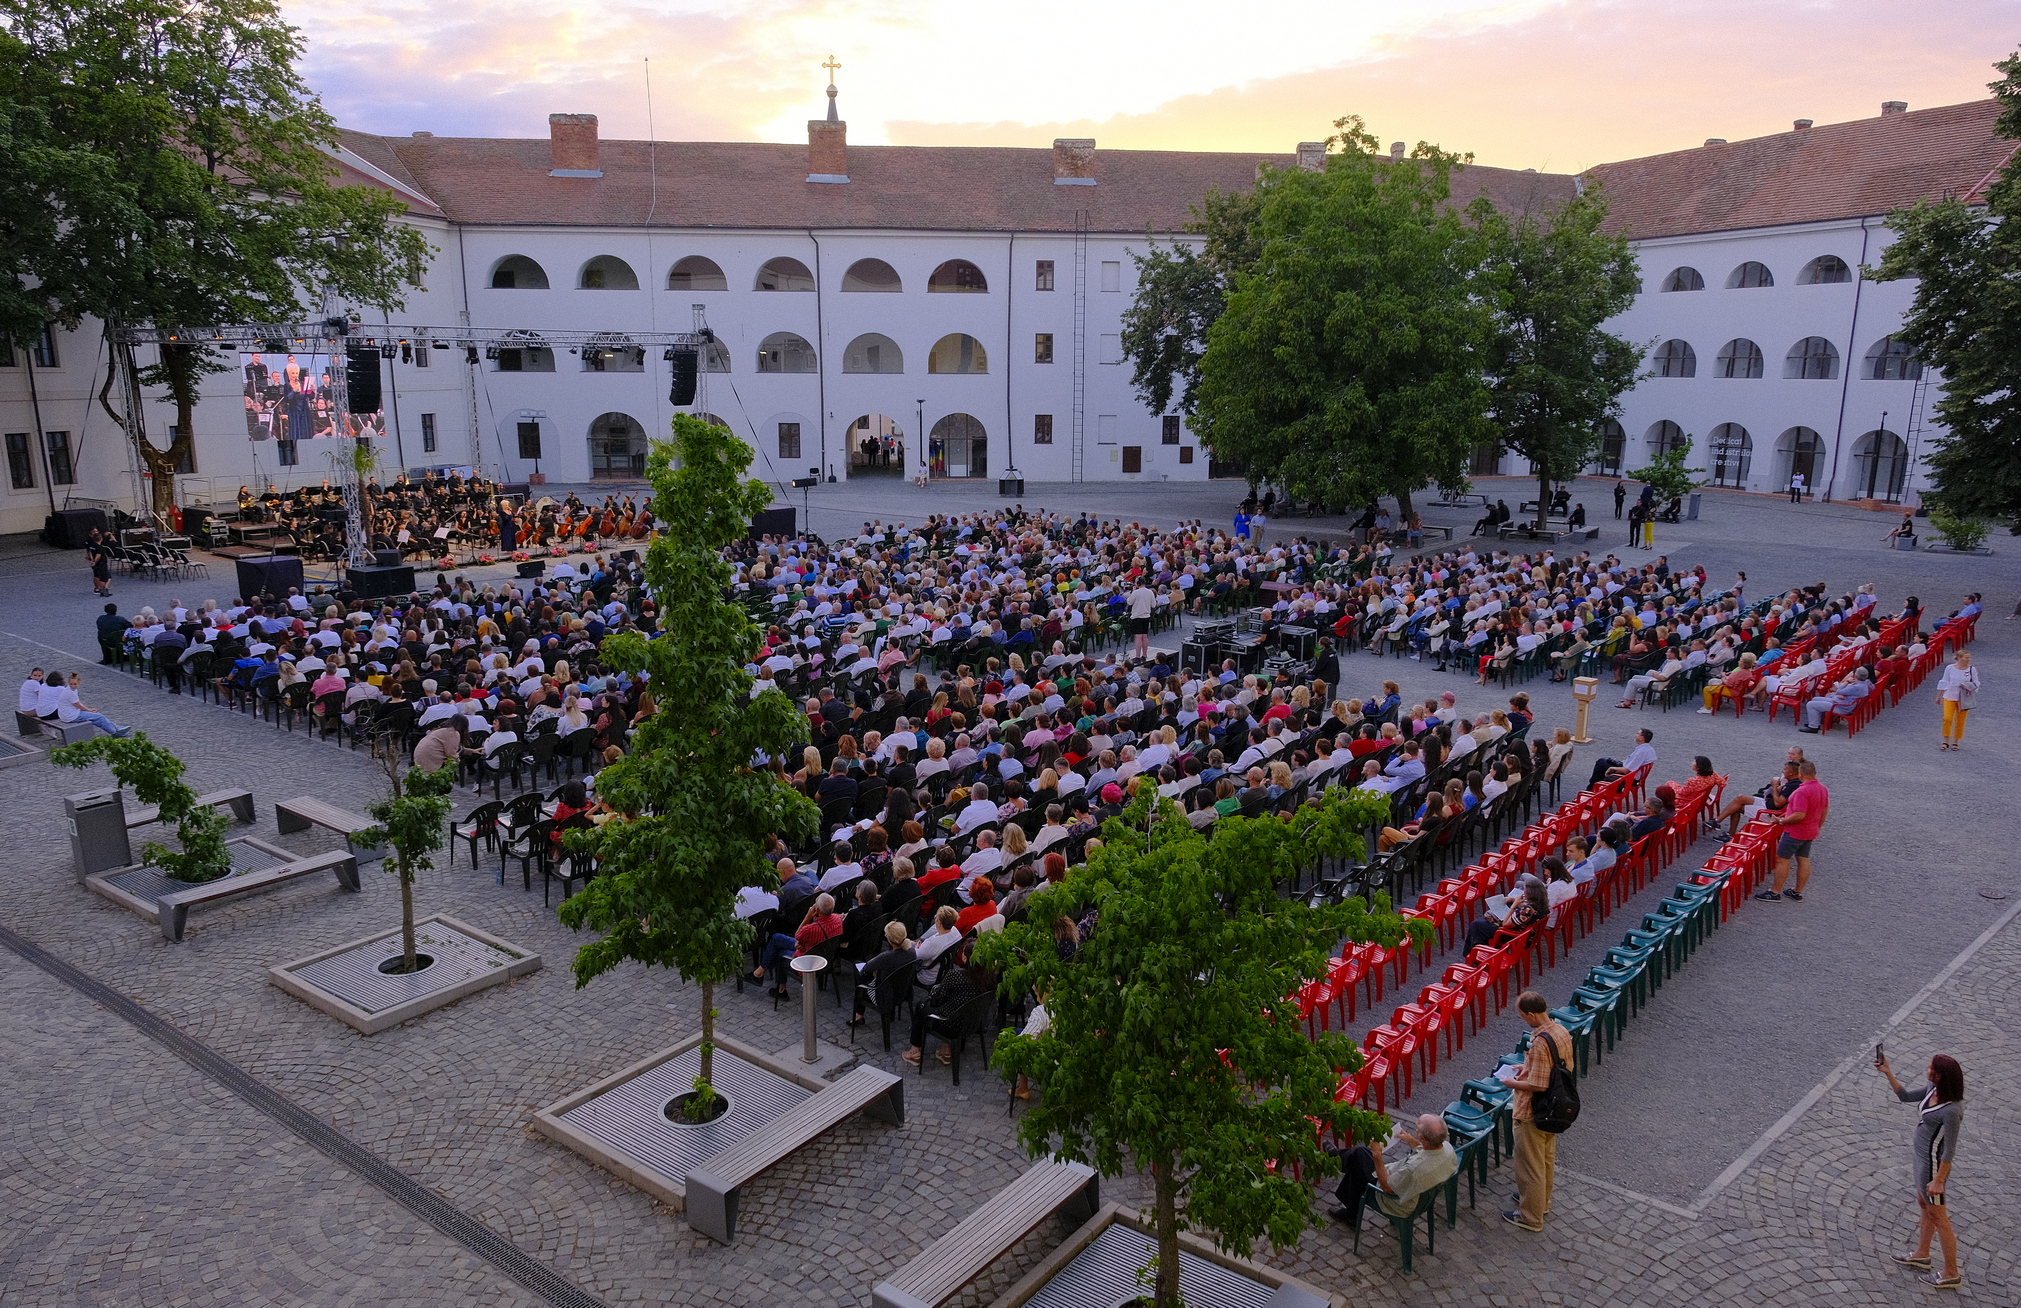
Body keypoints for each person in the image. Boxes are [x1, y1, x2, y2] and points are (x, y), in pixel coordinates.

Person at [1874, 1050, 1966, 1289]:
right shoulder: (1931, 1089)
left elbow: (1949, 1151)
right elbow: (1904, 1096)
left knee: (1939, 1217)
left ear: (1942, 1076)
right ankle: (1922, 1253)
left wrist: (1939, 1181)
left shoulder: (1952, 1110)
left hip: (1933, 1166)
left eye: (1931, 1069)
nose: (1927, 1071)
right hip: (1921, 1160)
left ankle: (1951, 1272)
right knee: (1924, 1205)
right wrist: (1888, 1072)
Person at [1502, 990, 1571, 1232]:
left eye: (1522, 1015)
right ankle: (1542, 1203)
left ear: (1531, 1014)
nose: (1522, 1019)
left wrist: (1513, 1084)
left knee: (1530, 1166)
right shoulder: (1560, 1031)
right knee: (1545, 1159)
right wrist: (1527, 1065)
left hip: (1533, 1110)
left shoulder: (1540, 1042)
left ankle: (1530, 1216)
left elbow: (1538, 1085)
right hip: (1554, 1107)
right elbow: (1558, 1067)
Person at [1326, 1113, 1459, 1225]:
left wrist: (1377, 1155)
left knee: (1359, 1155)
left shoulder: (1414, 1169)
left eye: (1417, 1129)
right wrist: (1411, 1140)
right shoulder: (1447, 1148)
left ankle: (1337, 1160)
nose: (1415, 1130)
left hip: (1396, 1200)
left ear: (1423, 1138)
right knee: (1360, 1159)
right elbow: (1426, 1151)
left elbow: (1387, 1187)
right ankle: (1338, 1159)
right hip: (1416, 1192)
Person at [1755, 759, 1827, 902]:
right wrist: (1818, 826)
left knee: (1782, 859)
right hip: (1810, 830)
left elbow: (1799, 815)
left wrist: (1780, 821)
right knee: (1803, 859)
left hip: (1796, 832)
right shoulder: (1822, 788)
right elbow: (1824, 810)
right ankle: (1797, 891)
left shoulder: (1802, 791)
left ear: (1800, 773)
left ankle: (1775, 892)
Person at [52, 671, 131, 737]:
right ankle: (114, 732)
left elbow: (77, 704)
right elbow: (78, 705)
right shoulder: (70, 693)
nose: (73, 686)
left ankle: (115, 727)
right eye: (71, 684)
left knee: (96, 716)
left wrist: (88, 710)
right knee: (98, 717)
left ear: (79, 683)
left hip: (69, 713)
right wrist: (89, 710)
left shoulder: (69, 690)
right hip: (71, 716)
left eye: (74, 684)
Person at [1800, 667, 1872, 732]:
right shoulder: (1863, 684)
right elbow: (1843, 692)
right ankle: (1816, 722)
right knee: (1815, 699)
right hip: (1843, 703)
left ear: (1855, 676)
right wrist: (1843, 694)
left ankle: (1813, 727)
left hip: (1841, 706)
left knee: (1811, 704)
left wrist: (1846, 682)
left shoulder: (1856, 686)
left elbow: (1838, 691)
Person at [1935, 650, 1979, 751]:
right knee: (1947, 718)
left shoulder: (1972, 670)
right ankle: (1946, 740)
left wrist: (1967, 686)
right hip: (1950, 696)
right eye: (1966, 657)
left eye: (1969, 657)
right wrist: (1939, 695)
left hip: (1963, 698)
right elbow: (1944, 681)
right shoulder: (1950, 668)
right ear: (1959, 658)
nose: (1968, 660)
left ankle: (1956, 741)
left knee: (1960, 720)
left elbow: (1976, 683)